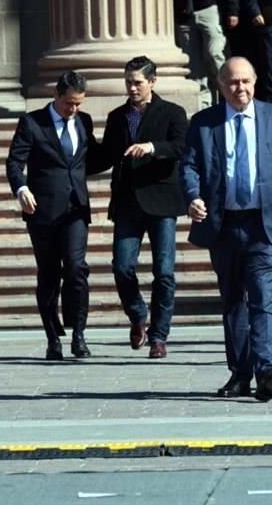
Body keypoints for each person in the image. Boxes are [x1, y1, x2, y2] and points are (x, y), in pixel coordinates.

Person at [180, 57, 272, 402]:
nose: (240, 89)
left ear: (255, 82)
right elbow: (190, 167)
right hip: (223, 224)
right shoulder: (203, 122)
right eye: (232, 83)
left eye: (245, 82)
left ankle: (268, 369)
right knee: (233, 302)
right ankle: (240, 373)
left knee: (262, 296)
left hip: (264, 222)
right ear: (220, 86)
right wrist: (193, 197)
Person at [94, 56, 187, 359]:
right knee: (122, 266)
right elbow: (106, 155)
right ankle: (138, 315)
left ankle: (159, 336)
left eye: (137, 82)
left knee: (164, 272)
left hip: (161, 201)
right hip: (127, 203)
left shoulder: (172, 113)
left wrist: (152, 147)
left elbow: (182, 147)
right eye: (128, 82)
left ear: (152, 82)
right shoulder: (117, 116)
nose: (132, 88)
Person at [5, 71, 99, 360]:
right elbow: (14, 162)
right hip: (42, 211)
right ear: (57, 96)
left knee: (76, 267)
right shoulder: (32, 123)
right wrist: (21, 188)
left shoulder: (83, 121)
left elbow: (89, 158)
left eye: (79, 104)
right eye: (70, 103)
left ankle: (79, 334)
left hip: (75, 208)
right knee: (49, 274)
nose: (74, 109)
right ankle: (52, 337)